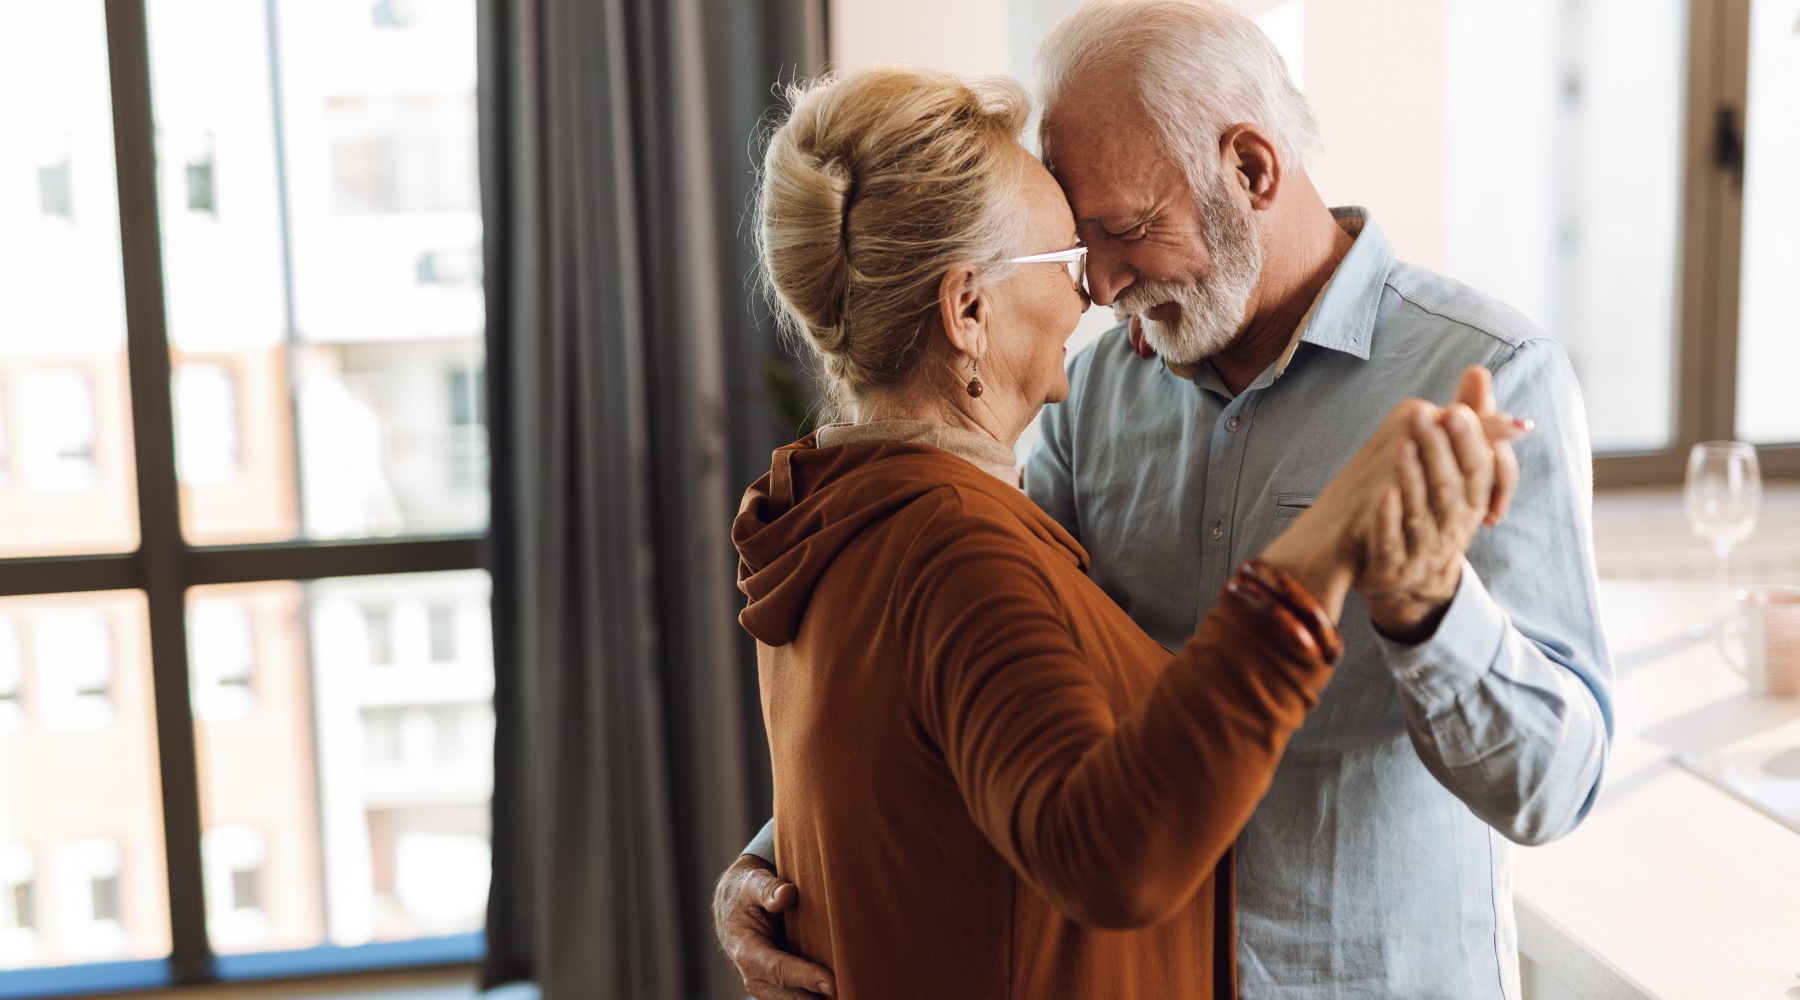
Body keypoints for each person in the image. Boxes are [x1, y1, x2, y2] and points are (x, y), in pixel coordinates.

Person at [717, 2, 1615, 998]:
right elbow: (985, 672)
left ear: (1252, 169)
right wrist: (778, 856)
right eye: (1077, 240)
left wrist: (1428, 609)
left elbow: (1555, 787)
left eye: (1127, 230)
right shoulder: (1096, 393)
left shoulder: (1488, 374)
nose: (1100, 288)